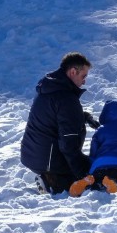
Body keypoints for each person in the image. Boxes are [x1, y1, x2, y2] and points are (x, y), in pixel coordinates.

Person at [20, 52, 98, 194]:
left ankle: (51, 176)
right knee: (88, 176)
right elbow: (68, 144)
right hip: (47, 160)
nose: (84, 81)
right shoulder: (66, 98)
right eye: (83, 76)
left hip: (31, 154)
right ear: (73, 72)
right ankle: (51, 182)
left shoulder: (51, 86)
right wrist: (82, 173)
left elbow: (56, 117)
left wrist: (83, 117)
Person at [68, 100, 117, 198]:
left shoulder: (101, 130)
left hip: (100, 166)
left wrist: (92, 165)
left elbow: (94, 151)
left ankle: (88, 183)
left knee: (98, 180)